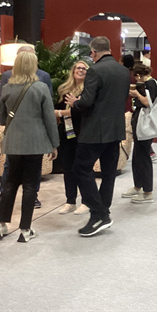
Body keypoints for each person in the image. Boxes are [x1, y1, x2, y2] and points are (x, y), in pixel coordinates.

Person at [66, 36, 130, 237]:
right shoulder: (123, 71)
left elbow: (86, 102)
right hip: (115, 129)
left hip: (95, 131)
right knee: (109, 172)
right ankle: (103, 212)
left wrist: (75, 103)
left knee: (80, 168)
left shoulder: (95, 70)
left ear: (93, 52)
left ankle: (99, 213)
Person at [0, 51, 59, 243]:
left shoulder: (7, 88)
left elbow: (1, 119)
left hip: (13, 143)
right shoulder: (41, 88)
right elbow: (49, 119)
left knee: (10, 182)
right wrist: (54, 144)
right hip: (35, 143)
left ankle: (1, 225)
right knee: (30, 185)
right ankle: (25, 229)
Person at [55, 61, 90, 215]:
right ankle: (70, 201)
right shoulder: (65, 90)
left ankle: (86, 201)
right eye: (78, 68)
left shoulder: (88, 90)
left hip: (82, 132)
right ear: (73, 70)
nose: (80, 70)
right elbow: (58, 109)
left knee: (81, 168)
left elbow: (81, 111)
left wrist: (60, 113)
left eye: (84, 68)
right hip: (66, 132)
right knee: (68, 168)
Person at [123, 63, 157, 204]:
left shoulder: (150, 84)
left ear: (138, 76)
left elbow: (148, 102)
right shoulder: (150, 83)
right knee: (138, 155)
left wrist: (137, 94)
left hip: (145, 125)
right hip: (140, 123)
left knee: (143, 156)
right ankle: (138, 186)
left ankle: (147, 192)